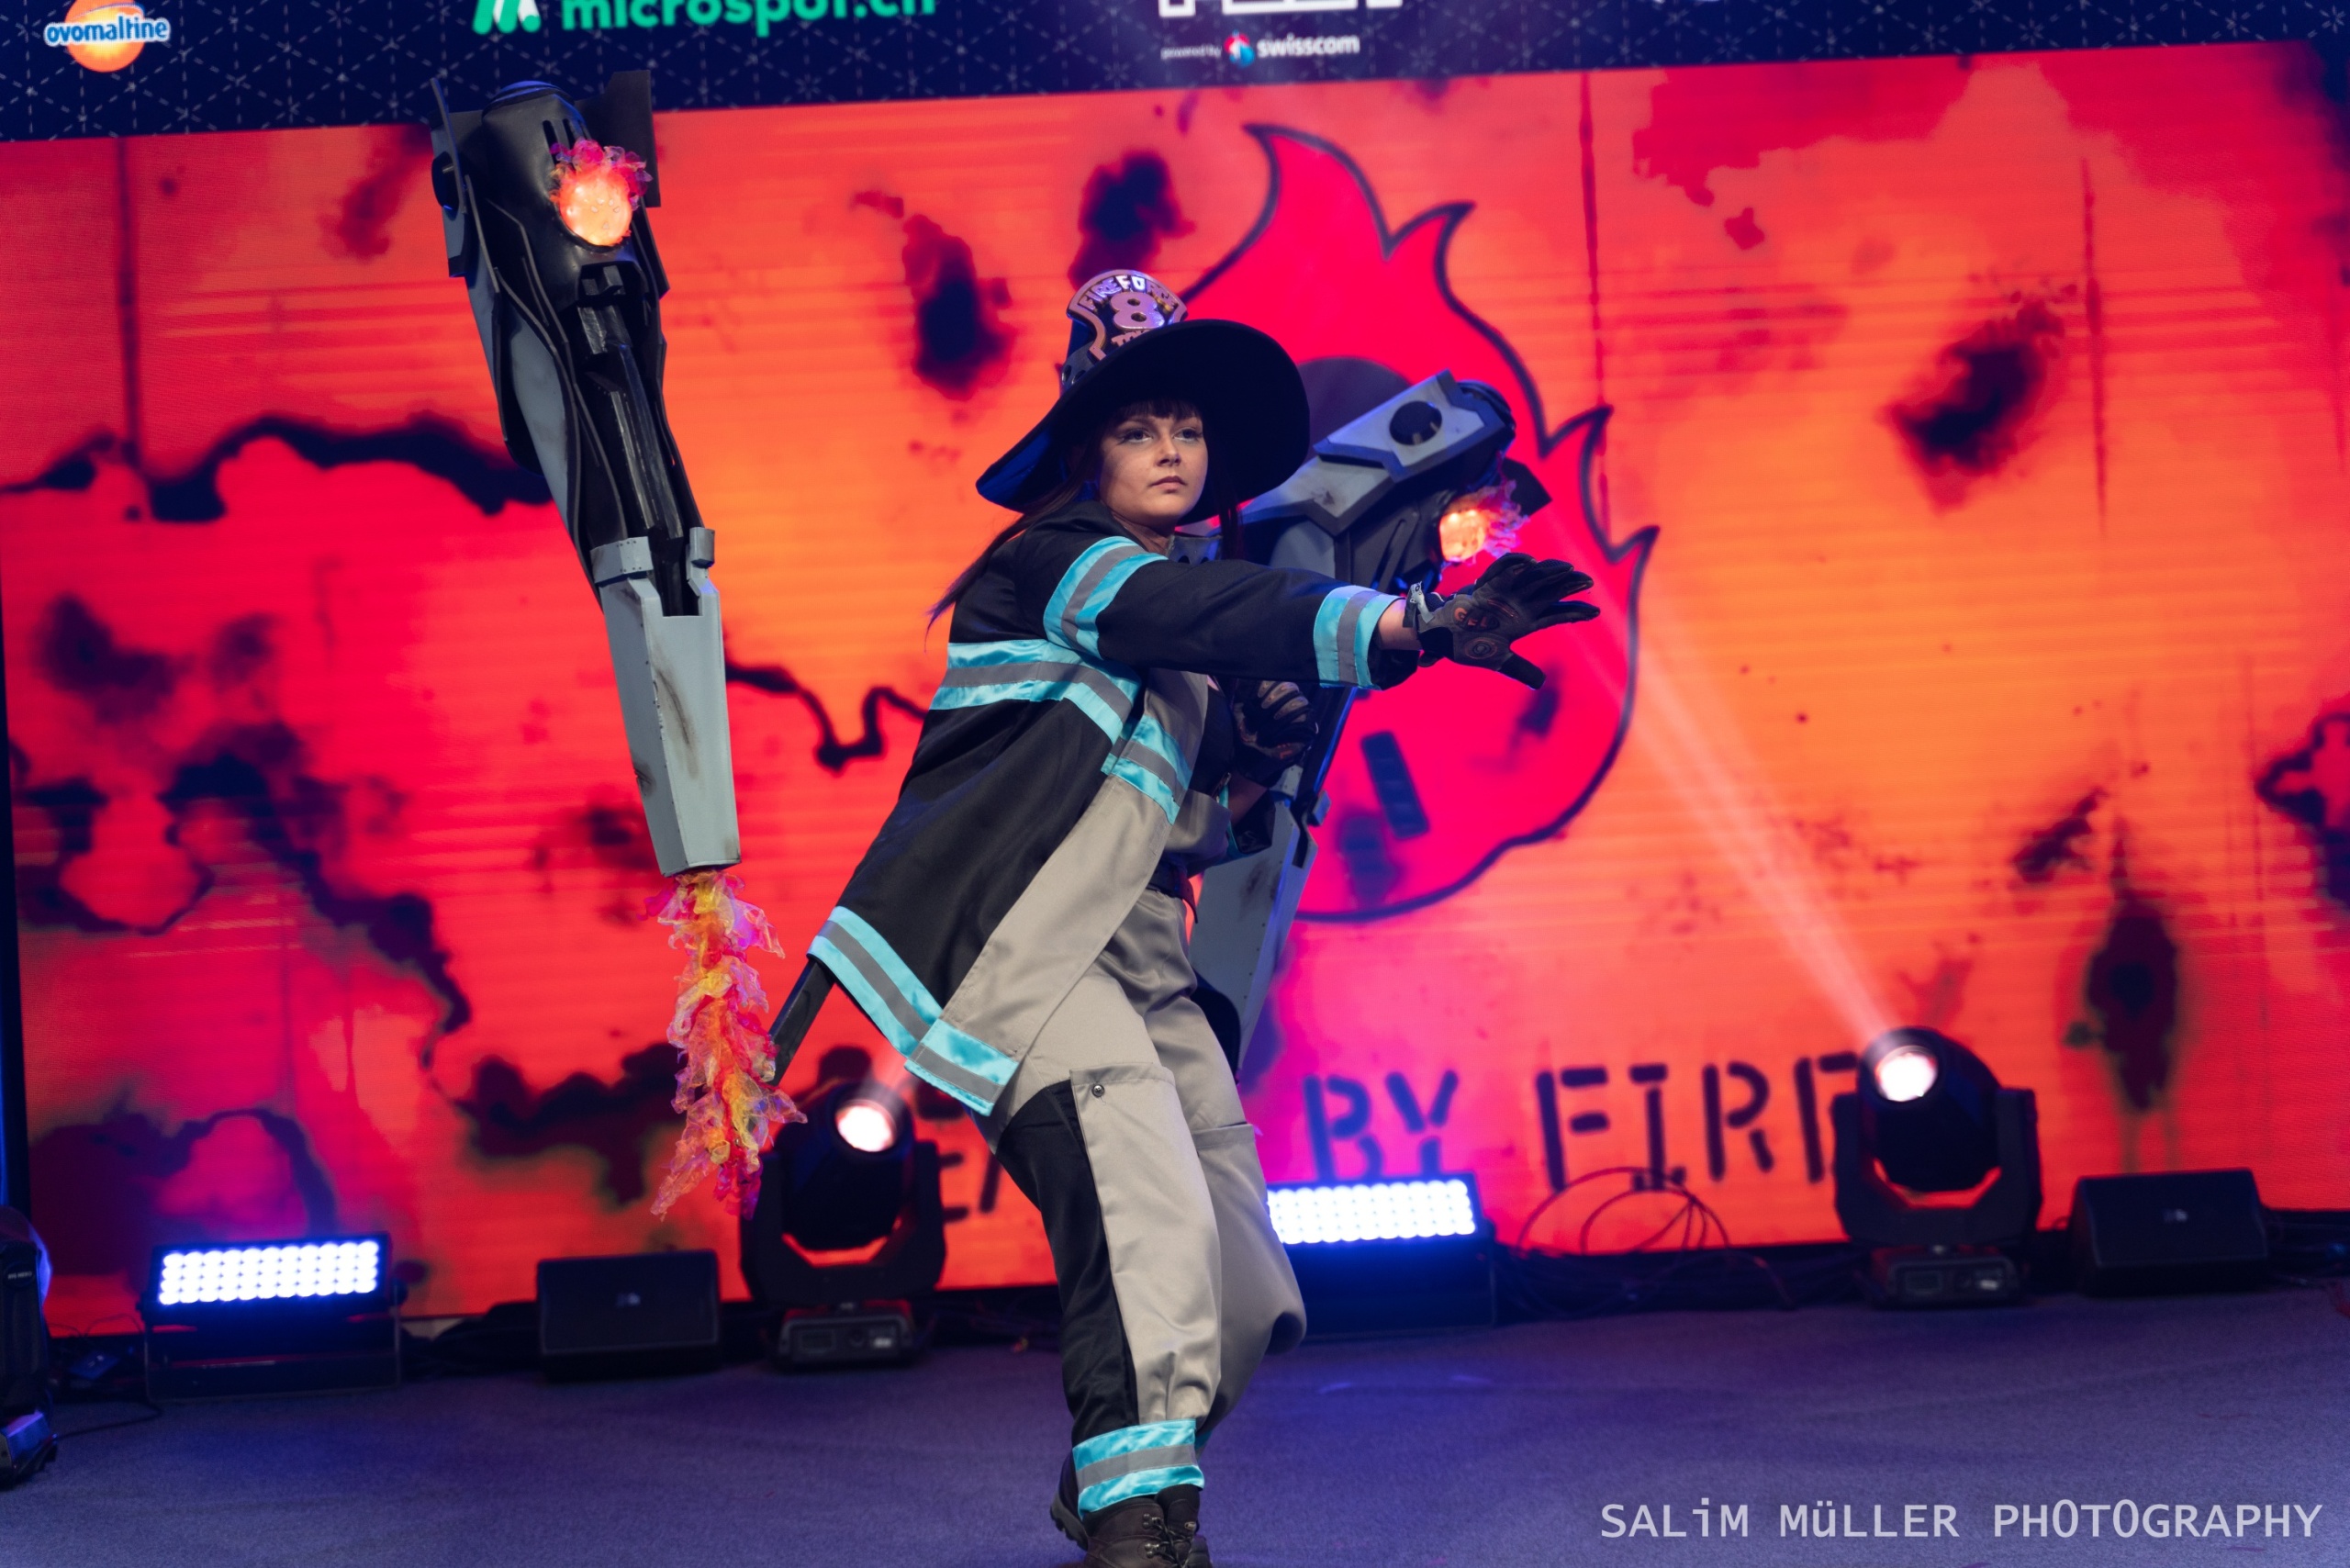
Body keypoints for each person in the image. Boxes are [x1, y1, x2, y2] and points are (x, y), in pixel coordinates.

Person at [800, 270, 1598, 1567]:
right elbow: (1202, 607)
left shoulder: (1171, 627)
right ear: (1089, 449)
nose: (1171, 449)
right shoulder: (1056, 564)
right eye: (1138, 427)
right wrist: (1402, 624)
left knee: (1237, 1290)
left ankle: (1111, 1474)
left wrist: (1255, 740)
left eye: (1186, 428)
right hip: (1029, 950)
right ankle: (1142, 1531)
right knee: (1146, 1231)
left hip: (1139, 961)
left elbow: (1192, 761)